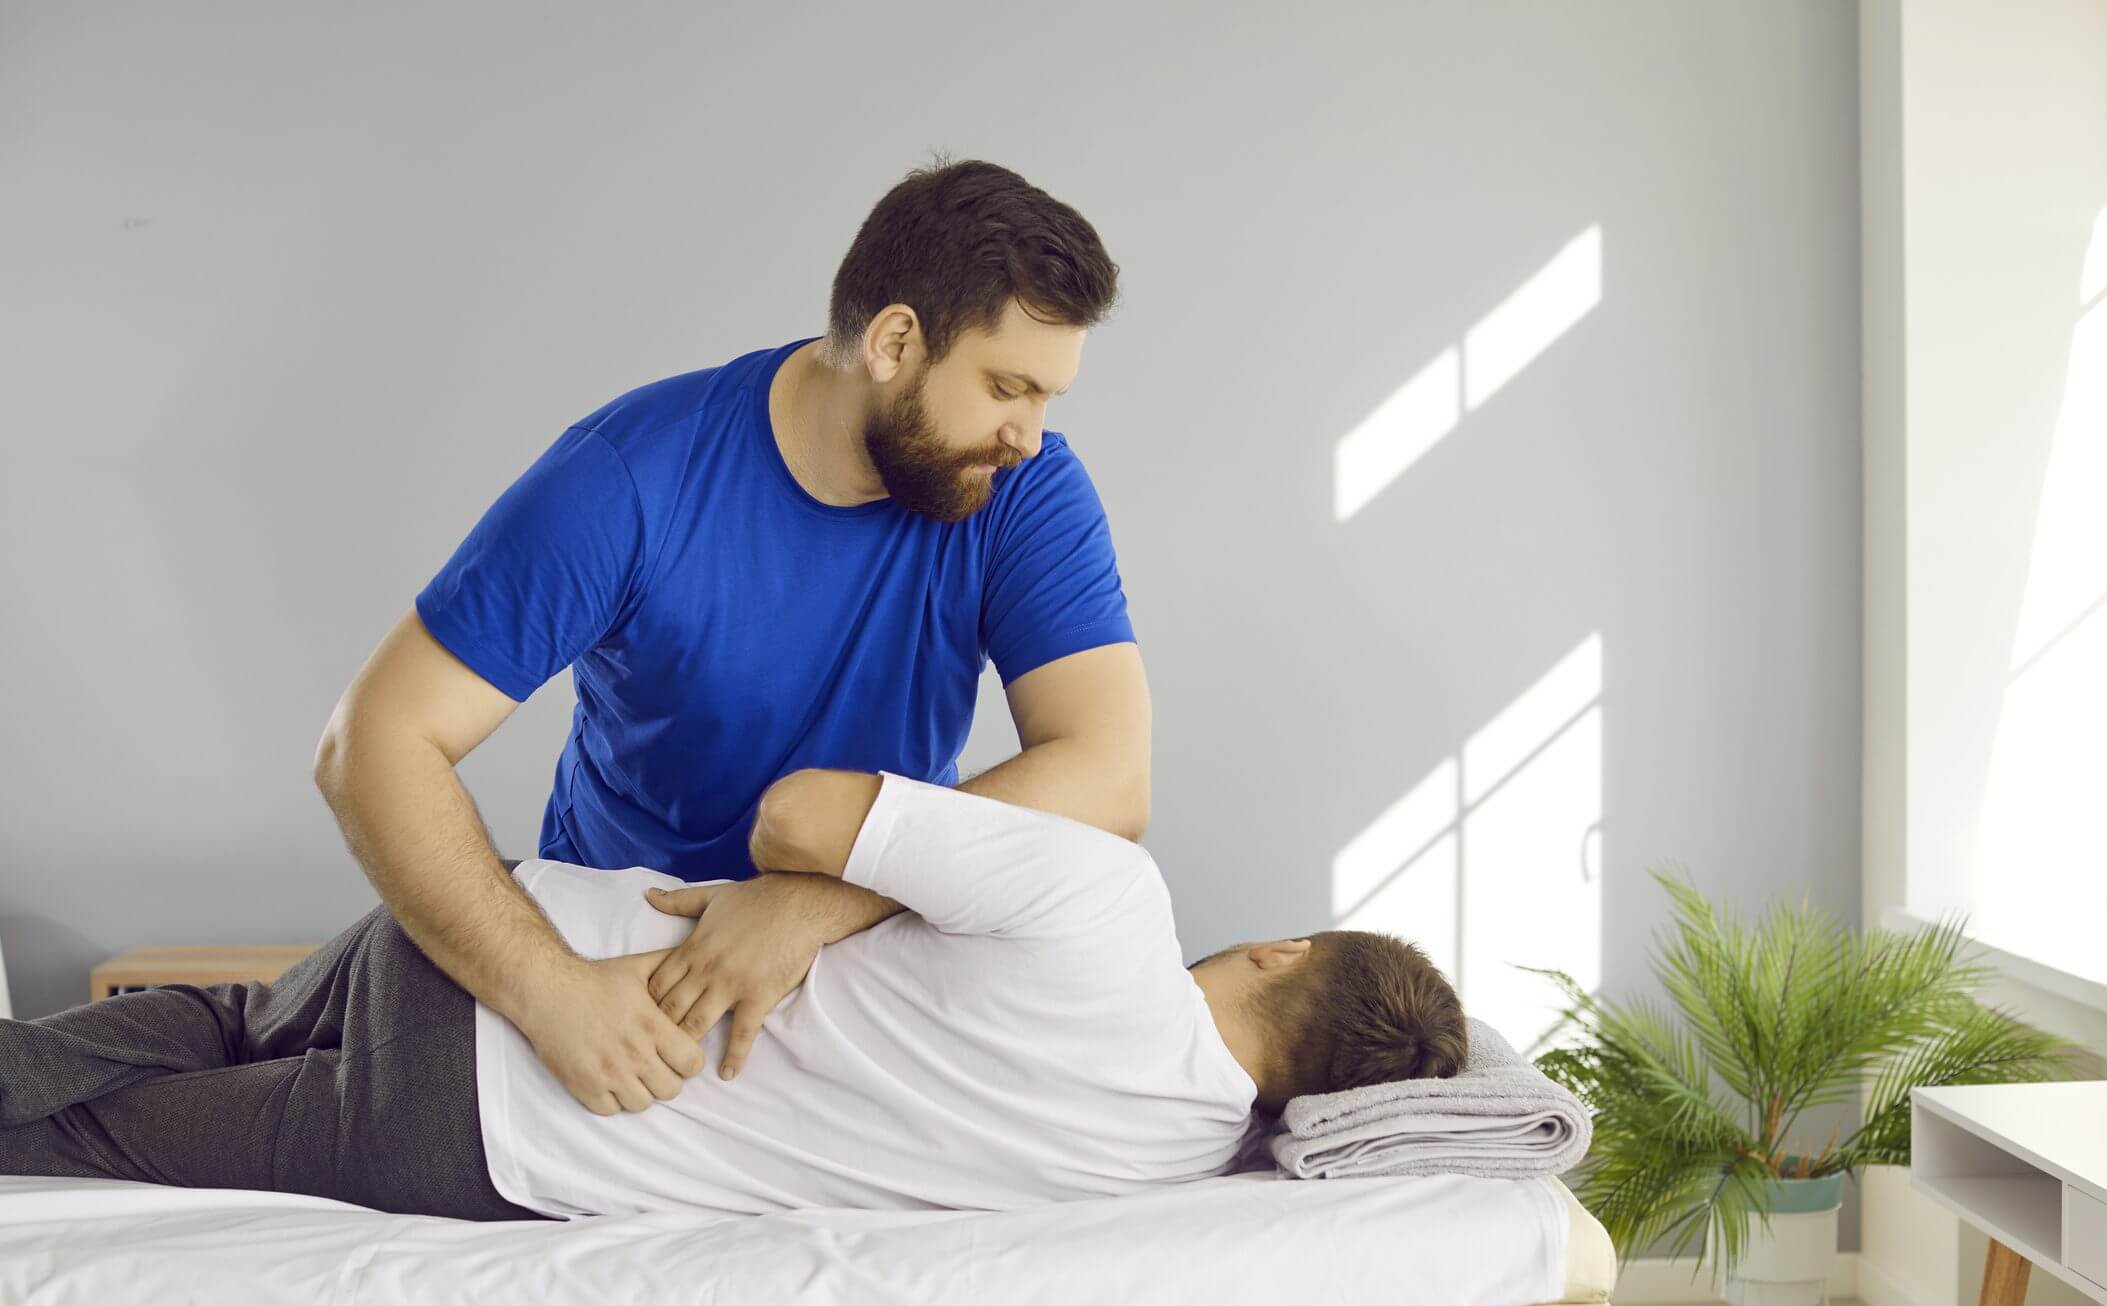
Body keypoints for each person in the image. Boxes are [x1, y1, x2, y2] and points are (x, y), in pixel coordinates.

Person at [309, 155, 1152, 1144]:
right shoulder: (632, 478)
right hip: (632, 973)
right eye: (1008, 387)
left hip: (869, 940)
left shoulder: (1028, 488)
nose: (1029, 434)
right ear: (893, 341)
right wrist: (550, 994)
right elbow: (371, 743)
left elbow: (1108, 777)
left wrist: (821, 897)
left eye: (1049, 397)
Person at [0, 772, 1469, 1222]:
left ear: (1283, 954)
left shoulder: (1106, 906)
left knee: (211, 1019)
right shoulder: (1171, 1172)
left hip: (496, 944)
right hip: (479, 1156)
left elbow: (792, 820)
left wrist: (840, 901)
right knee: (109, 1133)